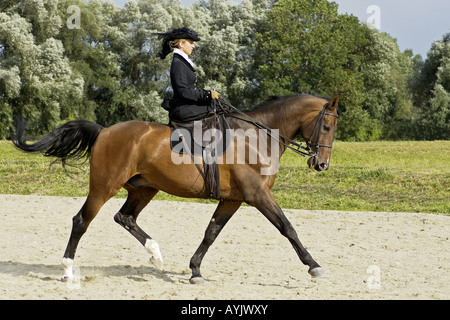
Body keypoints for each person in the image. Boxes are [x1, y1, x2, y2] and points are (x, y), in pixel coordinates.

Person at [155, 27, 220, 122]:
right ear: (181, 44)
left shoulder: (182, 62)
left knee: (221, 102)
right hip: (183, 109)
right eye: (191, 43)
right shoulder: (178, 63)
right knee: (220, 104)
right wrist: (207, 94)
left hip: (188, 106)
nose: (193, 46)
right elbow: (183, 91)